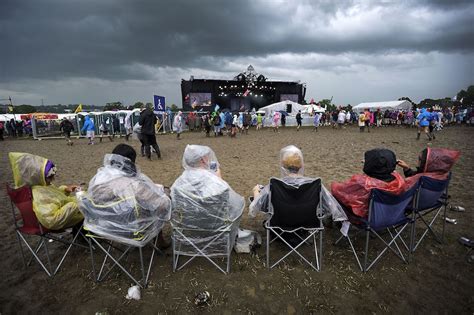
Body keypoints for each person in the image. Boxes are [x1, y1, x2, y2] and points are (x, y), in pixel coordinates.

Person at [77, 144, 171, 246]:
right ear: (131, 162)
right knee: (156, 207)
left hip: (103, 227)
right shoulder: (134, 185)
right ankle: (159, 241)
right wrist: (166, 194)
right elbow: (161, 205)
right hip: (132, 230)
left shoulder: (98, 179)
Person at [170, 145, 244, 252]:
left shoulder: (178, 184)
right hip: (215, 227)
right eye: (206, 156)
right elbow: (236, 203)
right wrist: (219, 179)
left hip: (188, 227)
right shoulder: (216, 182)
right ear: (202, 160)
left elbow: (173, 205)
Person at [249, 145, 347, 224]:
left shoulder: (275, 185)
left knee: (259, 191)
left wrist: (256, 191)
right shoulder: (314, 185)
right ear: (300, 166)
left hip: (280, 222)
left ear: (283, 166)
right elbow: (331, 207)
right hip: (308, 222)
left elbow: (257, 205)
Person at [8, 152, 83, 230]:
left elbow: (54, 196)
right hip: (64, 219)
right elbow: (51, 220)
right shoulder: (39, 195)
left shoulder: (41, 186)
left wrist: (65, 189)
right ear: (37, 176)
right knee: (90, 208)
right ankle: (83, 237)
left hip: (66, 212)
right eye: (50, 177)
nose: (53, 179)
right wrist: (75, 205)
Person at [331, 148, 407, 218]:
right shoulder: (399, 180)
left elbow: (338, 192)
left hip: (369, 217)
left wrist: (334, 185)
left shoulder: (363, 183)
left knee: (334, 197)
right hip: (393, 214)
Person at [396, 147, 460, 187]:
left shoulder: (421, 179)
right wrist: (406, 168)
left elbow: (402, 188)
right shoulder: (443, 176)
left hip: (415, 203)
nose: (418, 161)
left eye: (420, 159)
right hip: (433, 201)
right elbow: (415, 175)